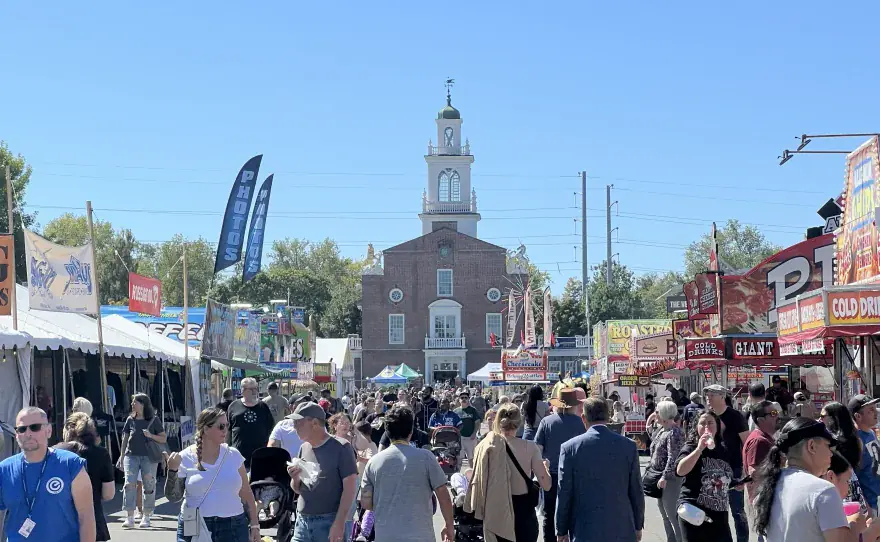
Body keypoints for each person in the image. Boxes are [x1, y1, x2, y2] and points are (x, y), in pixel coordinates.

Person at [752, 417, 878, 542]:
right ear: (811, 446)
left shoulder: (768, 486)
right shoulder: (822, 490)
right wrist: (869, 529)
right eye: (828, 446)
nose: (831, 453)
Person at [164, 407, 261, 542]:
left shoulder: (233, 455)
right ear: (206, 429)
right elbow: (174, 497)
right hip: (195, 524)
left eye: (227, 425)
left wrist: (255, 525)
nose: (225, 430)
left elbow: (246, 493)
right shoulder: (185, 457)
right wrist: (172, 470)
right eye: (221, 426)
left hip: (233, 526)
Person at [361, 405, 455, 542]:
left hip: (386, 536)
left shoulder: (373, 462)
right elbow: (444, 496)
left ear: (387, 432)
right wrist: (449, 525)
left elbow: (366, 503)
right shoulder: (426, 458)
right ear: (411, 431)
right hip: (421, 536)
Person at [0, 407, 95, 541]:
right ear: (16, 434)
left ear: (48, 431)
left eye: (35, 427)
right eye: (22, 429)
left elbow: (86, 517)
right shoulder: (4, 469)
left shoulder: (71, 464)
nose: (28, 433)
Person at [556, 398, 643, 542]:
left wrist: (561, 529)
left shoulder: (570, 448)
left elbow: (564, 492)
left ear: (583, 418)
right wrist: (638, 525)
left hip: (584, 529)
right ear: (608, 417)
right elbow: (636, 491)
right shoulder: (628, 446)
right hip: (621, 527)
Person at [466, 403, 551, 542]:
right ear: (519, 422)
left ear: (498, 421)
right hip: (523, 514)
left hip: (496, 511)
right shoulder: (530, 448)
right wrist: (545, 468)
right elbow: (546, 485)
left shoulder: (486, 446)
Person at [287, 402, 358, 542]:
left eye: (298, 423)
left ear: (314, 423)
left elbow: (350, 490)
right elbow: (298, 489)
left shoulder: (341, 447)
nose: (294, 427)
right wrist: (294, 478)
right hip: (302, 522)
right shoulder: (304, 447)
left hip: (328, 522)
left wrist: (339, 523)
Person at [534, 388, 587, 542]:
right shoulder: (581, 423)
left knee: (549, 514)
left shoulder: (547, 422)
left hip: (550, 474)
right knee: (573, 512)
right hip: (575, 474)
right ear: (574, 405)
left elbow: (538, 449)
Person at [675, 410, 734, 542]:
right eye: (702, 423)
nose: (707, 427)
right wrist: (699, 449)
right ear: (696, 427)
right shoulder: (691, 447)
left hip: (719, 515)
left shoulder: (723, 450)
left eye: (710, 423)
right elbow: (680, 471)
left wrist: (737, 483)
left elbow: (724, 478)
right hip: (694, 513)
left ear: (717, 427)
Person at [56, 413, 115, 542]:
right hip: (93, 523)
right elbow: (108, 494)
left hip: (59, 525)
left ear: (67, 429)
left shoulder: (56, 452)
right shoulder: (101, 453)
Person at [704, 384, 749, 542]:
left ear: (722, 397)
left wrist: (745, 471)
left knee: (737, 511)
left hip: (734, 469)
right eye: (707, 396)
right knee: (716, 511)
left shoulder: (735, 417)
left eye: (711, 396)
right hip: (713, 470)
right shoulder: (708, 417)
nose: (708, 399)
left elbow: (746, 444)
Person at [117, 393, 166, 529]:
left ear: (143, 404)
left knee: (148, 485)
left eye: (135, 402)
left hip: (149, 457)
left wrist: (150, 435)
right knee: (129, 484)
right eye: (132, 402)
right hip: (131, 456)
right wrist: (122, 456)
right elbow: (125, 439)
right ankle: (130, 516)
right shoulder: (130, 420)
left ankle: (146, 515)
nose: (132, 404)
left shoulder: (154, 420)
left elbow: (163, 438)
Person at [647, 400, 684, 542]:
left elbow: (673, 457)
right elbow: (653, 443)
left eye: (657, 411)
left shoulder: (674, 432)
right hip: (659, 477)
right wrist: (650, 423)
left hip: (670, 479)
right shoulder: (663, 430)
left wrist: (664, 476)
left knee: (672, 514)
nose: (654, 414)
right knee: (664, 513)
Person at [821, 402, 869, 513]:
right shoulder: (857, 440)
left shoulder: (829, 443)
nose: (820, 420)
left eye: (823, 416)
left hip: (836, 488)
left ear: (834, 418)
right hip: (853, 485)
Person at [227, 377, 274, 470]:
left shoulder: (263, 406)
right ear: (243, 390)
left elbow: (271, 430)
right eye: (251, 389)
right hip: (238, 458)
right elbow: (227, 430)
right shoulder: (233, 406)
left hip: (260, 457)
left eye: (255, 388)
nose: (254, 392)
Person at [850, 394, 880, 515]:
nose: (876, 413)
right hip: (870, 504)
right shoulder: (857, 441)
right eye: (870, 410)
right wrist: (866, 508)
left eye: (875, 408)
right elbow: (853, 479)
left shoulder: (872, 433)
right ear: (858, 416)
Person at [454, 391, 479, 465]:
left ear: (468, 399)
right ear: (459, 400)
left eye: (466, 397)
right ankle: (459, 475)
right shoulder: (455, 411)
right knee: (459, 458)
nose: (464, 399)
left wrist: (474, 433)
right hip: (459, 438)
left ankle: (473, 475)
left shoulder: (473, 410)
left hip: (470, 437)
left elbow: (477, 422)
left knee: (471, 459)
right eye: (462, 398)